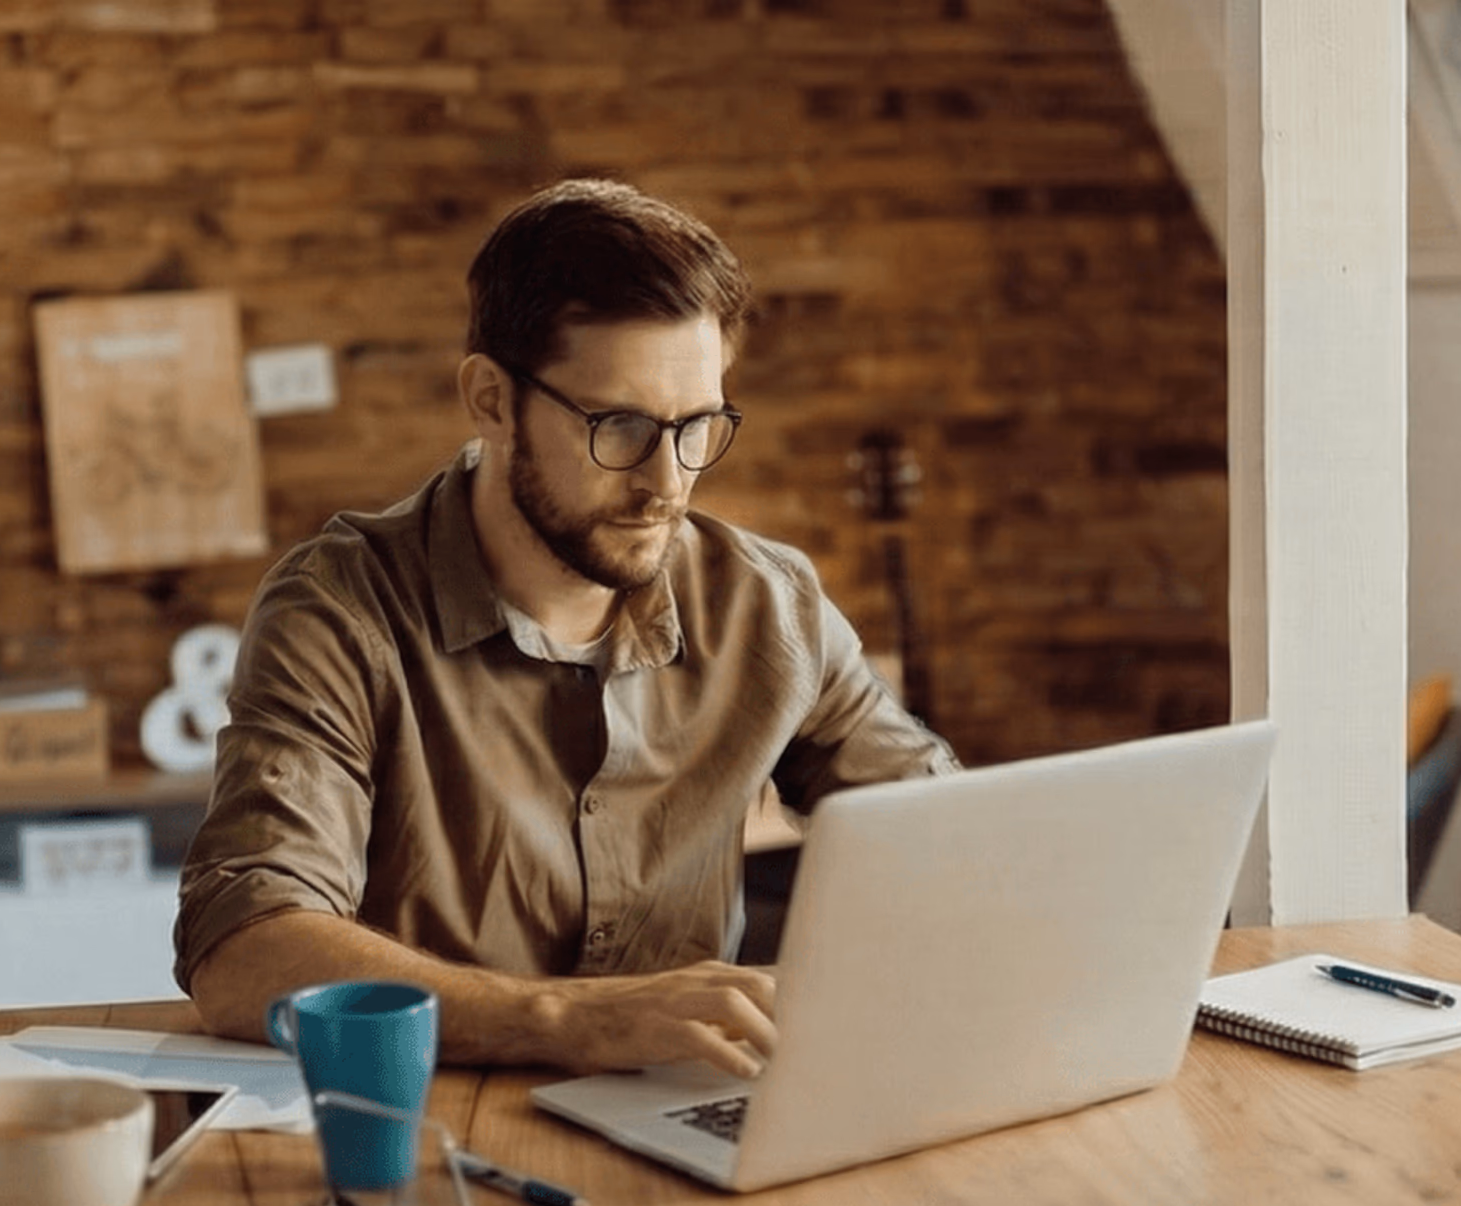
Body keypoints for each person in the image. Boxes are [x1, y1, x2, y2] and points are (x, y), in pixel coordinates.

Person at [174, 179, 956, 1079]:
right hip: (431, 1128)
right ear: (492, 400)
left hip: (688, 1117)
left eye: (697, 425)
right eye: (619, 425)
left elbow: (951, 840)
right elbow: (245, 953)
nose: (667, 480)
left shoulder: (770, 605)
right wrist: (569, 1019)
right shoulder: (338, 612)